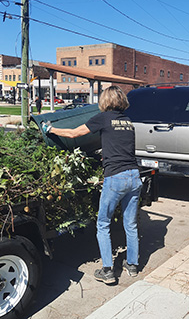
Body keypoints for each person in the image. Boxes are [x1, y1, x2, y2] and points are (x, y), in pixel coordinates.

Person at [42, 86, 142, 285]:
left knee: (103, 224)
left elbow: (74, 134)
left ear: (105, 101)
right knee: (130, 224)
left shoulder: (103, 118)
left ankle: (107, 271)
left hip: (116, 177)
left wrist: (50, 129)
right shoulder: (128, 121)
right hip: (134, 176)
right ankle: (132, 265)